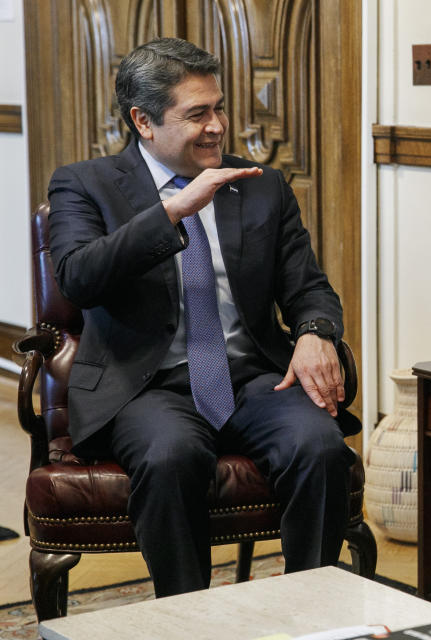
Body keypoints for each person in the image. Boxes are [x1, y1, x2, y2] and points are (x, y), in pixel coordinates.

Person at [46, 38, 359, 598]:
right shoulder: (85, 184)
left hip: (250, 376)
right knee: (170, 456)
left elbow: (308, 288)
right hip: (144, 385)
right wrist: (171, 212)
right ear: (143, 120)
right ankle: (186, 617)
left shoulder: (260, 187)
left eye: (218, 108)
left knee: (320, 447)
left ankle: (310, 606)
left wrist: (315, 335)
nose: (217, 126)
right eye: (197, 114)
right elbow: (77, 276)